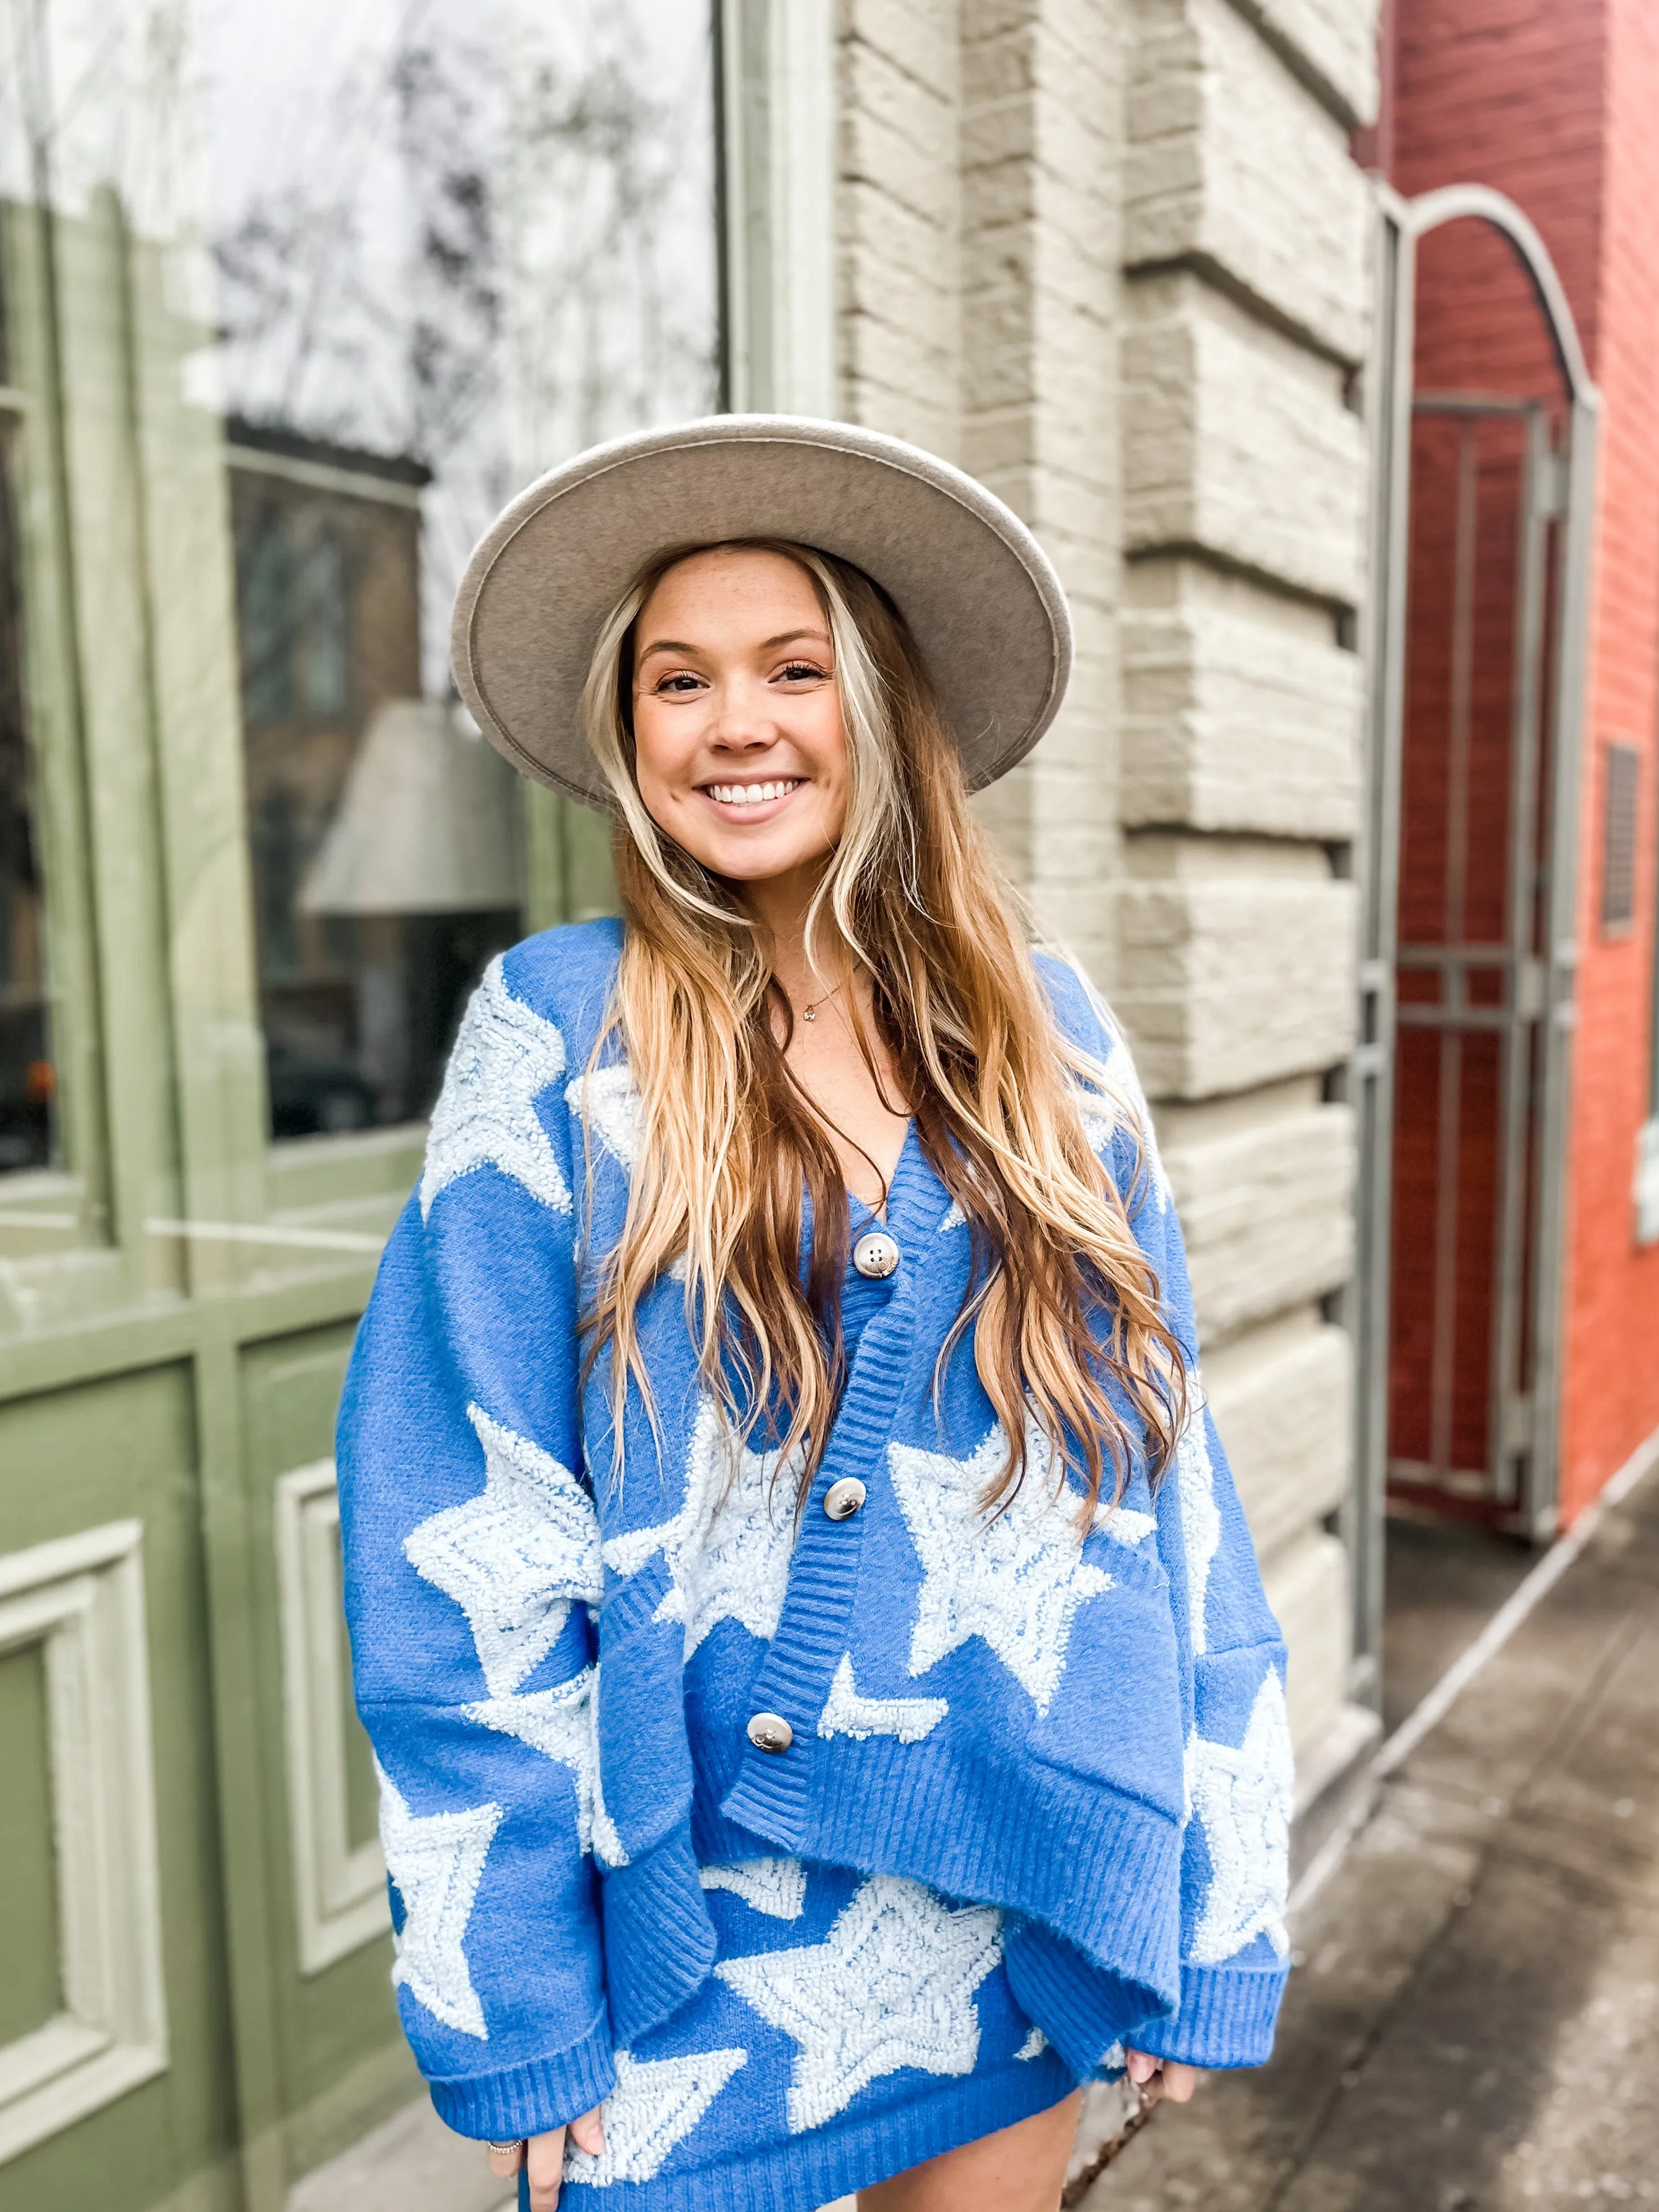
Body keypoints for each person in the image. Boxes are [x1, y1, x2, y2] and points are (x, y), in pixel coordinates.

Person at [336, 416, 1294, 2212]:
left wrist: (1210, 1898)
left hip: (1022, 1897)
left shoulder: (1056, 1038)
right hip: (684, 1946)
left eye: (794, 667)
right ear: (632, 739)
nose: (734, 722)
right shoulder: (561, 1038)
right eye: (677, 680)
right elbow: (461, 1548)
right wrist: (511, 2004)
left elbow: (1176, 1489)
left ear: (880, 703)